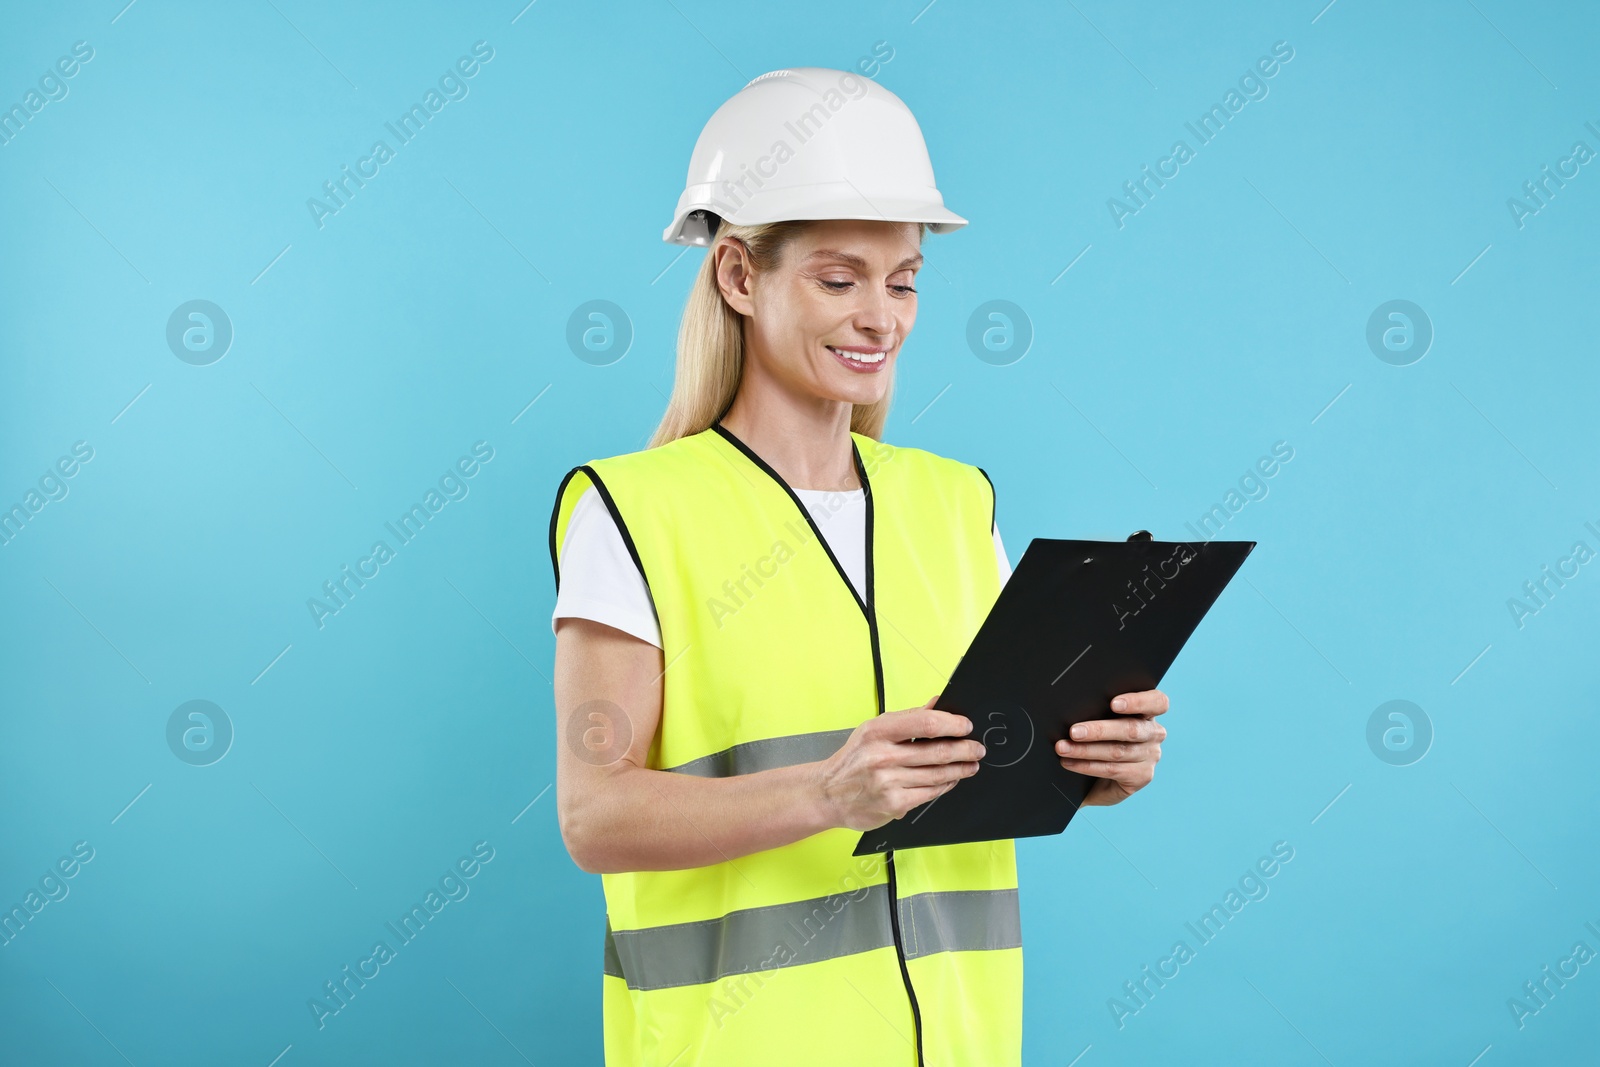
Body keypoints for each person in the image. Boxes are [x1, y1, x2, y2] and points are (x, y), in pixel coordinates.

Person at [548, 67, 1168, 1067]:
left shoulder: (956, 503)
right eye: (839, 279)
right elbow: (594, 813)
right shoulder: (636, 512)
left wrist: (1088, 766)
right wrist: (827, 796)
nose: (880, 316)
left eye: (904, 279)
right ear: (740, 276)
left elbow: (983, 763)